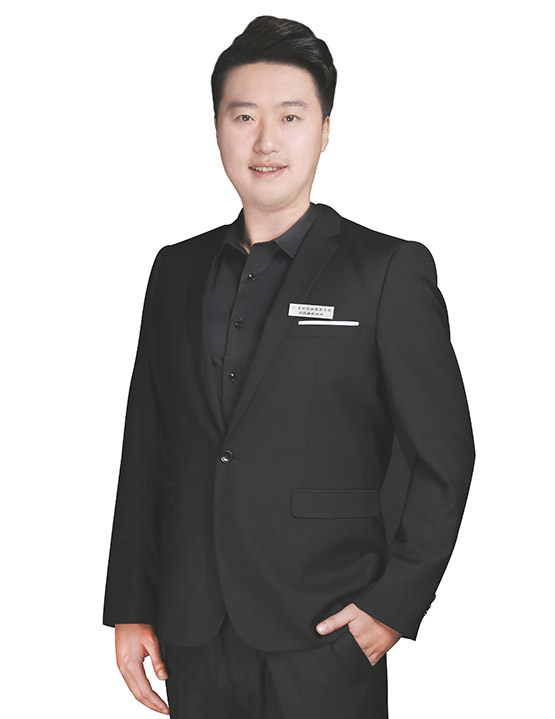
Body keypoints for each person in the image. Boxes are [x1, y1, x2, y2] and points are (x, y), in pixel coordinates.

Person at [102, 15, 476, 719]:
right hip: (193, 630)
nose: (265, 141)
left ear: (325, 130)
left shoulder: (386, 271)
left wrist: (392, 607)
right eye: (243, 116)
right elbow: (147, 444)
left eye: (291, 116)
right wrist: (130, 603)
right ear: (217, 127)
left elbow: (444, 454)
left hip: (324, 632)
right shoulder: (175, 271)